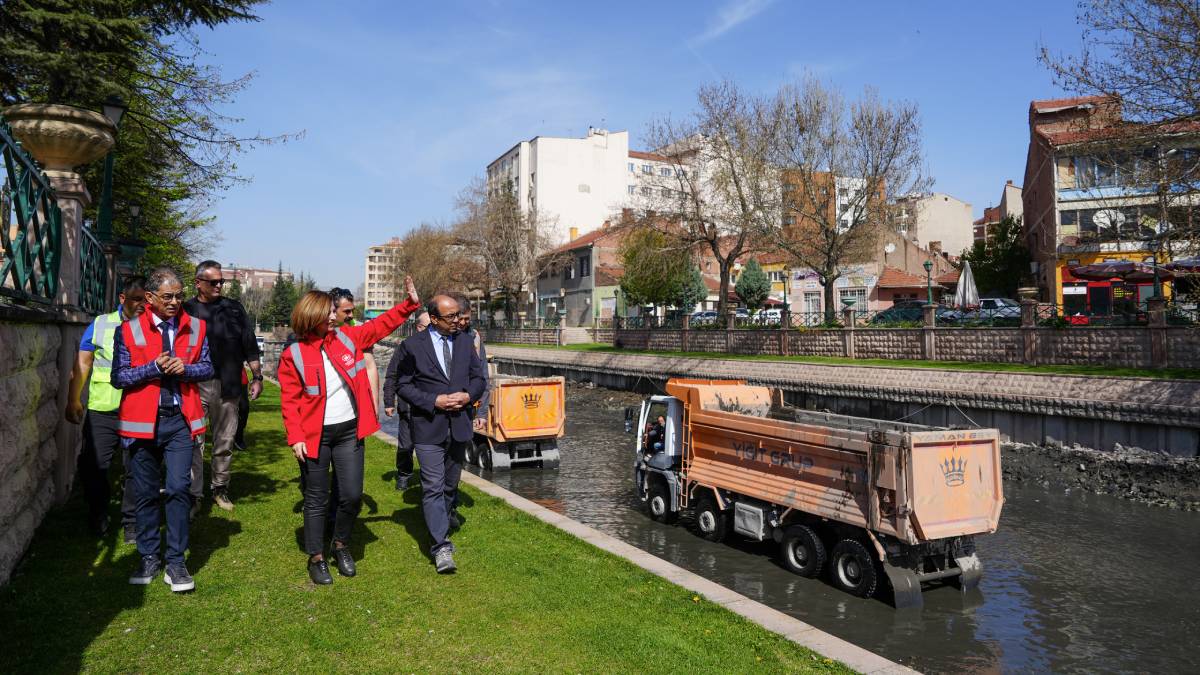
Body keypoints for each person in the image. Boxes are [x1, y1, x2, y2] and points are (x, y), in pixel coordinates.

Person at [278, 279, 420, 585]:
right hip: (315, 437)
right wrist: (296, 438)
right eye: (327, 313)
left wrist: (409, 305)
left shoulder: (347, 338)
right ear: (311, 315)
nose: (333, 317)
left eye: (333, 312)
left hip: (349, 432)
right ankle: (316, 557)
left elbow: (381, 326)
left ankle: (341, 544)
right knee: (316, 498)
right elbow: (289, 402)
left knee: (352, 495)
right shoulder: (294, 355)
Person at [113, 266, 214, 593]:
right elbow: (119, 377)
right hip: (141, 423)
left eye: (179, 296)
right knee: (144, 493)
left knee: (177, 488)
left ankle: (176, 561)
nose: (175, 302)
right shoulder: (127, 331)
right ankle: (148, 556)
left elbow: (207, 367)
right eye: (168, 297)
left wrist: (184, 368)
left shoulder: (197, 328)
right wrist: (152, 368)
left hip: (180, 421)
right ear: (150, 298)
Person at [396, 294, 487, 574]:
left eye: (459, 315)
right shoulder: (412, 346)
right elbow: (403, 385)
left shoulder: (463, 342)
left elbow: (479, 378)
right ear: (434, 319)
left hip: (459, 425)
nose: (459, 320)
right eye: (452, 317)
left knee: (449, 486)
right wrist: (432, 401)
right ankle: (441, 547)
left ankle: (443, 520)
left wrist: (468, 395)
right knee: (432, 486)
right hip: (428, 428)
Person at [65, 275, 147, 542]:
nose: (141, 305)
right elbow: (83, 364)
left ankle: (131, 522)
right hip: (103, 408)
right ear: (122, 299)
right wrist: (73, 399)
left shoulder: (152, 327)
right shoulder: (101, 324)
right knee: (95, 465)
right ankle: (98, 512)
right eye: (136, 299)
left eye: (146, 300)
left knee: (136, 467)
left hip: (138, 409)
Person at [182, 261, 263, 513]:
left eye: (221, 282)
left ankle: (219, 488)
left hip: (229, 385)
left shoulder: (234, 309)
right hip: (194, 385)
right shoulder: (185, 310)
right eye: (213, 282)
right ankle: (193, 494)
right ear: (198, 283)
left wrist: (257, 376)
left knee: (224, 441)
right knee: (193, 441)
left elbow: (249, 344)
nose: (219, 286)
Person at [382, 310, 430, 490]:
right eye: (429, 326)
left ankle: (429, 479)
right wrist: (389, 401)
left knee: (429, 446)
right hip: (408, 407)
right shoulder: (406, 347)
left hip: (430, 406)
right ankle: (404, 474)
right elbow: (392, 374)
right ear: (419, 327)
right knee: (406, 445)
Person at [449, 293, 489, 432]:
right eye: (460, 318)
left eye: (467, 319)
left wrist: (482, 413)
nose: (463, 323)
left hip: (468, 405)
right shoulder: (440, 337)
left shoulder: (474, 337)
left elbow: (483, 376)